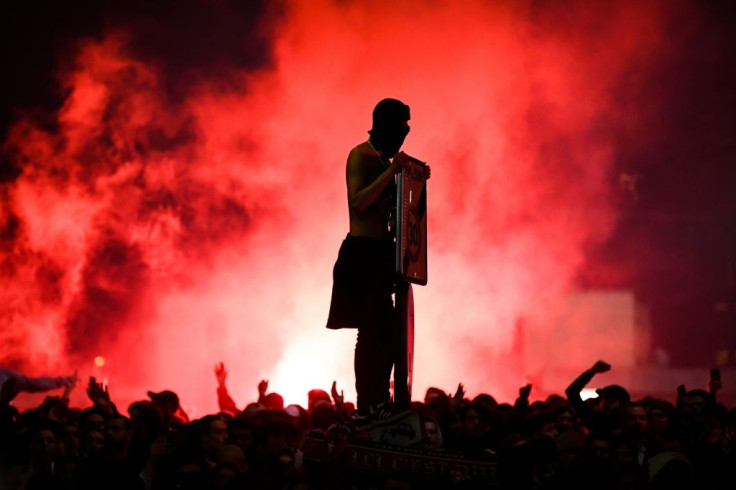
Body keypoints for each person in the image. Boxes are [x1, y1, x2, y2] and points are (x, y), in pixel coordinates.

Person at [326, 98, 428, 418]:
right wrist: (395, 171)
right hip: (362, 252)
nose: (406, 133)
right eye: (402, 126)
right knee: (371, 331)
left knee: (387, 331)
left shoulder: (385, 160)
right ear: (386, 124)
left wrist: (413, 177)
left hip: (384, 254)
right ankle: (367, 403)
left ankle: (381, 397)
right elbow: (359, 203)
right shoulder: (361, 155)